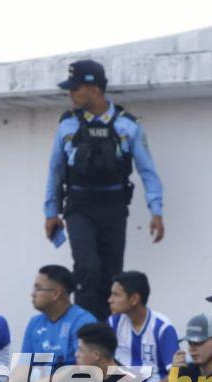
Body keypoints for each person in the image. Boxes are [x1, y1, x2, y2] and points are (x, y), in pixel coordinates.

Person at [44, 59, 165, 320]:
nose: (71, 94)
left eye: (75, 88)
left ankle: (108, 331)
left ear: (95, 90)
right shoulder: (67, 125)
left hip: (113, 207)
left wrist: (156, 211)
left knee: (112, 274)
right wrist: (51, 212)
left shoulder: (127, 126)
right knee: (87, 268)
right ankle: (88, 332)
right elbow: (55, 170)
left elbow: (147, 171)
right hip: (79, 206)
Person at [107, 271, 179, 382]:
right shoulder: (113, 323)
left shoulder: (162, 327)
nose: (110, 300)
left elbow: (175, 374)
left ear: (134, 299)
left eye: (116, 295)